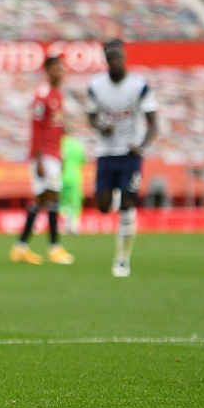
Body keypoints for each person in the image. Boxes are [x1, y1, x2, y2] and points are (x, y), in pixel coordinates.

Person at [86, 39, 158, 278]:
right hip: (106, 152)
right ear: (106, 61)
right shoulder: (96, 85)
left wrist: (142, 146)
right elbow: (91, 115)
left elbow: (153, 122)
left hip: (130, 153)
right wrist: (99, 127)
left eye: (120, 57)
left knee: (128, 205)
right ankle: (118, 196)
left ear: (125, 59)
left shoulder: (139, 85)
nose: (117, 62)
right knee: (103, 206)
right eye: (112, 58)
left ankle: (122, 260)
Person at [11, 55, 75, 265]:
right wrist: (37, 158)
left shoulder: (58, 94)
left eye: (62, 68)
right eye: (56, 68)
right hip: (45, 155)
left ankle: (21, 247)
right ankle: (54, 248)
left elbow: (58, 127)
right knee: (52, 198)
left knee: (42, 199)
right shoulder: (43, 94)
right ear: (47, 71)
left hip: (54, 154)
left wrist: (62, 154)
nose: (61, 71)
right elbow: (36, 128)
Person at [58, 130, 86, 235]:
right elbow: (84, 160)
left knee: (62, 202)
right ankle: (74, 226)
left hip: (60, 177)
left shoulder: (59, 143)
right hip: (75, 177)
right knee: (75, 203)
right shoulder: (78, 144)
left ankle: (63, 225)